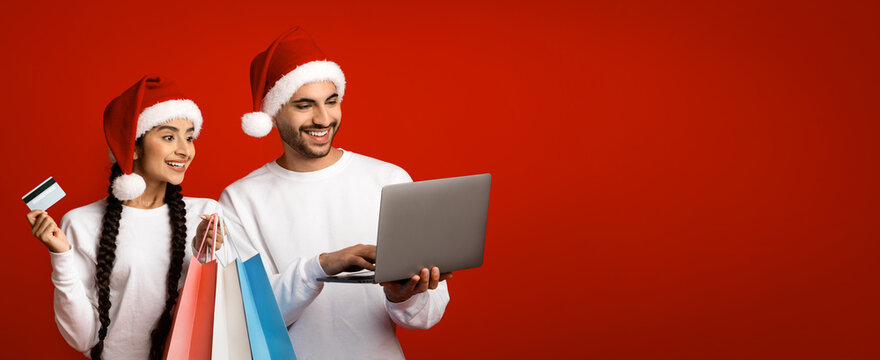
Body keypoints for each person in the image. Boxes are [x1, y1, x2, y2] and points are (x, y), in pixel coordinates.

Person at [217, 27, 451, 359]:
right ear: (272, 113)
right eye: (304, 105)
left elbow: (429, 314)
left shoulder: (389, 179)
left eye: (332, 101)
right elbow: (248, 319)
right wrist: (320, 266)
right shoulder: (240, 200)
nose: (324, 118)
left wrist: (404, 296)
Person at [26, 75, 222, 360]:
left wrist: (206, 255)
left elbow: (222, 316)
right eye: (169, 137)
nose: (185, 150)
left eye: (189, 136)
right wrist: (61, 256)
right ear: (135, 146)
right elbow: (82, 338)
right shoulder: (80, 223)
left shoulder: (207, 213)